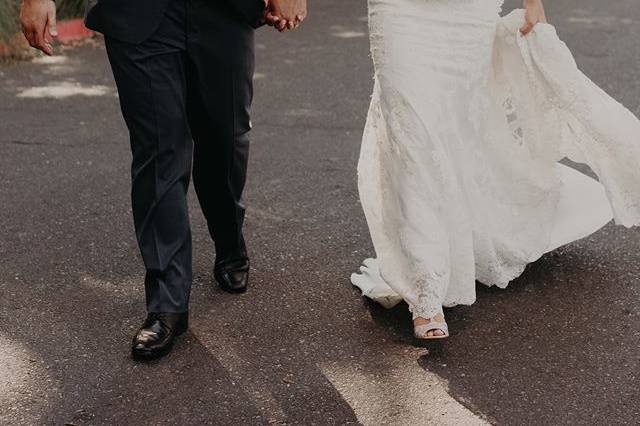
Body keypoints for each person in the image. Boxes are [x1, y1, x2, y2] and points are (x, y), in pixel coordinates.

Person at [19, 0, 307, 359]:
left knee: (225, 141)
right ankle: (167, 303)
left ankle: (229, 239)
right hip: (137, 12)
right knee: (159, 152)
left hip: (224, 11)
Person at [352, 0, 640, 339]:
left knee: (458, 129)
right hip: (399, 9)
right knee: (411, 132)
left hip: (468, 11)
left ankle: (469, 237)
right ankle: (425, 291)